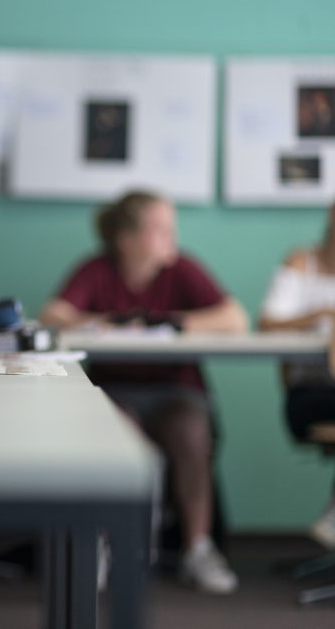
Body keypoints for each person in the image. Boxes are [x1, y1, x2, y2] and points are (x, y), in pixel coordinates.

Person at [40, 189, 248, 594]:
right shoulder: (97, 269)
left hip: (177, 392)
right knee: (117, 433)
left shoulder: (183, 269)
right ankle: (107, 545)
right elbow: (54, 315)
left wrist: (171, 323)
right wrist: (107, 323)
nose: (171, 236)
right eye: (160, 229)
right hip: (118, 390)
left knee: (192, 433)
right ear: (126, 237)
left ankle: (198, 548)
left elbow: (234, 318)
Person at [260, 186, 335, 550]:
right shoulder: (302, 263)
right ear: (334, 214)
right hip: (312, 393)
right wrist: (323, 314)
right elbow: (267, 323)